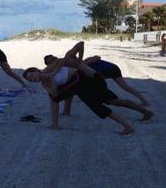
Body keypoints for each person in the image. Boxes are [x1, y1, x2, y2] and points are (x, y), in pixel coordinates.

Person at [22, 43, 153, 135]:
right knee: (115, 101)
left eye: (32, 75)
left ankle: (128, 126)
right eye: (30, 79)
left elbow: (76, 48)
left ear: (37, 70)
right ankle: (146, 113)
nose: (33, 78)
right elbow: (55, 95)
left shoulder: (55, 65)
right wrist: (51, 82)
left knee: (96, 105)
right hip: (84, 82)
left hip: (91, 79)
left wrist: (79, 62)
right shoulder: (45, 84)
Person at [44, 46, 150, 107]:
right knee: (124, 87)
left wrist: (83, 62)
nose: (53, 60)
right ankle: (144, 101)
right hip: (102, 72)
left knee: (124, 87)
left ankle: (144, 101)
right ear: (49, 65)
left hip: (108, 68)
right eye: (51, 61)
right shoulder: (64, 67)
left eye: (53, 58)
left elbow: (97, 57)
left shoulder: (68, 60)